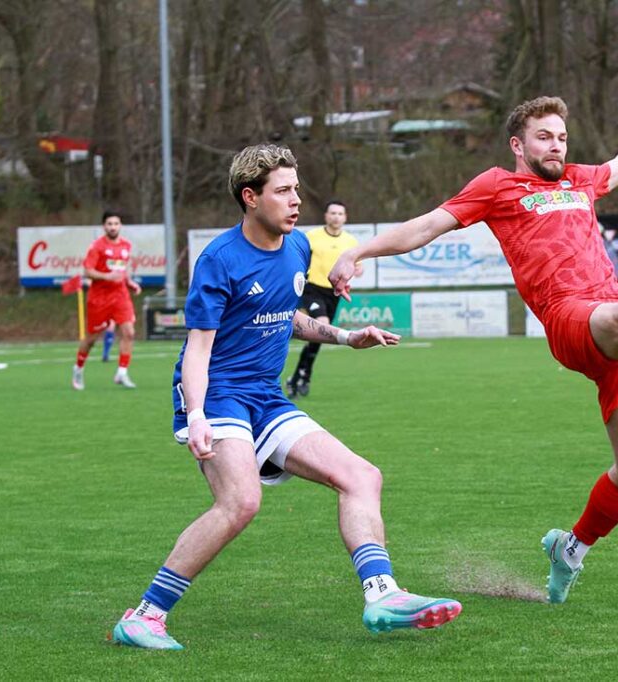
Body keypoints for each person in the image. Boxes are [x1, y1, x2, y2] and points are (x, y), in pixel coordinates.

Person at [329, 96, 618, 605]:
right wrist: (357, 251)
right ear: (518, 144)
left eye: (562, 137)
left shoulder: (579, 179)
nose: (556, 145)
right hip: (570, 316)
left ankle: (571, 548)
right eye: (544, 137)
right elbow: (426, 226)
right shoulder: (496, 186)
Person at [110, 144, 460, 651]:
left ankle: (382, 594)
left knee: (362, 476)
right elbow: (198, 349)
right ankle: (143, 616)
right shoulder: (219, 260)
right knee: (241, 501)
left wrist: (344, 337)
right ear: (250, 197)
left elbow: (286, 317)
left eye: (297, 189)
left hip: (266, 397)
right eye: (284, 191)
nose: (297, 201)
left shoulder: (297, 248)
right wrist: (197, 414)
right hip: (220, 394)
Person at [286, 200, 364, 398]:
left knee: (320, 334)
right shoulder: (311, 237)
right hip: (312, 288)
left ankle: (298, 376)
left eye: (340, 213)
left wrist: (356, 268)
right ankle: (305, 375)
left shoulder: (350, 242)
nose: (336, 217)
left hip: (333, 292)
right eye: (333, 213)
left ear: (345, 218)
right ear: (326, 216)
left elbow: (358, 266)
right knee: (322, 324)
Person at [71, 211, 141, 390]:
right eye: (109, 224)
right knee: (91, 339)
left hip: (120, 296)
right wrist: (107, 277)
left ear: (120, 225)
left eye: (116, 223)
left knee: (129, 332)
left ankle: (122, 373)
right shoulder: (97, 247)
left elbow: (121, 271)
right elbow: (87, 271)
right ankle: (78, 368)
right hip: (99, 298)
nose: (113, 227)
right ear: (104, 226)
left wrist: (129, 282)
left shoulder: (126, 246)